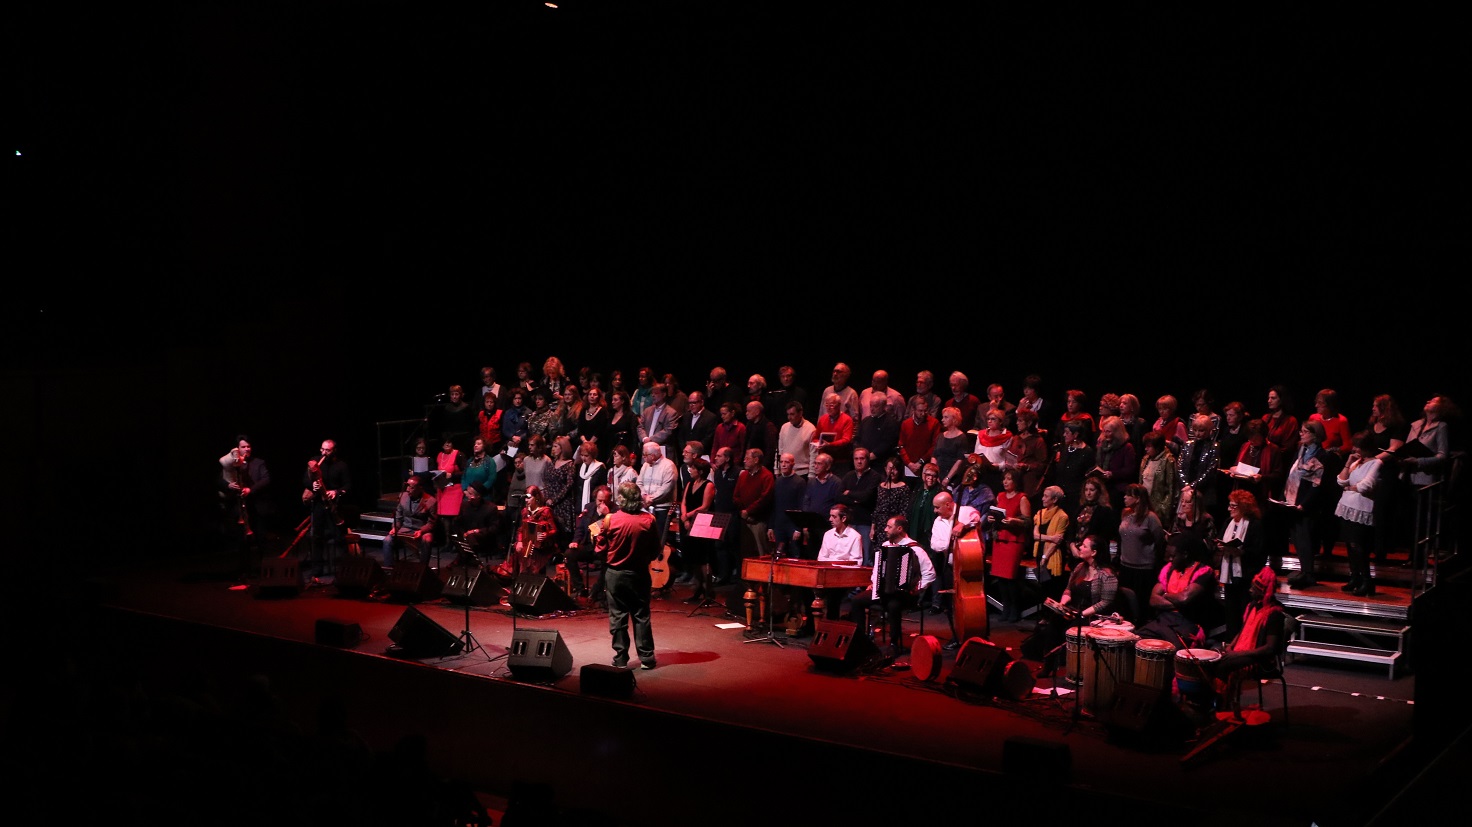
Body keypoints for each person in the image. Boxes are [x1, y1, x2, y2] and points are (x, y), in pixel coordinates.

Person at [595, 482, 661, 670]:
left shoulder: (610, 520)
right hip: (639, 573)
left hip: (615, 575)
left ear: (621, 499)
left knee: (618, 616)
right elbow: (656, 549)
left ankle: (621, 657)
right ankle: (647, 658)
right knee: (641, 615)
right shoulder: (649, 520)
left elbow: (599, 548)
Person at [849, 515, 936, 657]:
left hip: (905, 594)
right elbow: (877, 569)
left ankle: (894, 644)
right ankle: (861, 640)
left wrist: (917, 588)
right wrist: (874, 583)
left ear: (899, 529)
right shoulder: (885, 546)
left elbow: (930, 573)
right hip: (882, 591)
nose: (885, 529)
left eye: (889, 527)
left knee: (893, 605)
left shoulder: (915, 549)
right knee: (857, 600)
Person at [1206, 566, 1286, 714]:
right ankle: (1216, 704)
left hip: (1260, 661)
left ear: (1262, 591)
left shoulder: (1274, 614)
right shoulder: (1252, 606)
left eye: (1253, 588)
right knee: (1211, 657)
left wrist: (1237, 654)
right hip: (1243, 653)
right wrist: (1231, 647)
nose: (1250, 590)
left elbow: (1270, 649)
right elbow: (1242, 631)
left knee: (1223, 666)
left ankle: (1220, 707)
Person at [1036, 534, 1119, 676]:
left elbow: (1106, 602)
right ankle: (1049, 664)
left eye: (1084, 546)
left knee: (1071, 628)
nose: (1080, 547)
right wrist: (1062, 604)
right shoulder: (1080, 567)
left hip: (1091, 615)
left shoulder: (1107, 574)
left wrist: (1082, 613)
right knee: (1051, 626)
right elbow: (1069, 588)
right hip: (1073, 610)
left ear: (1094, 552)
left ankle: (1072, 668)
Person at [1137, 533, 1219, 650]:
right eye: (1168, 555)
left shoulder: (1203, 571)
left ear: (1185, 555)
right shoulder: (1168, 569)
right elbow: (1153, 600)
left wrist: (1165, 595)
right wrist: (1177, 603)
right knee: (1136, 639)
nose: (1170, 559)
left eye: (1173, 556)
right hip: (1164, 619)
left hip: (1188, 623)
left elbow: (1184, 598)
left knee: (1174, 649)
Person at [1283, 420, 1337, 589]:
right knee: (1297, 538)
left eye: (1305, 431)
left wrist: (1305, 504)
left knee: (1306, 538)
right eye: (1301, 431)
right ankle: (1303, 570)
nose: (1301, 434)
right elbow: (1291, 474)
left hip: (1308, 505)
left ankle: (1309, 573)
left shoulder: (1322, 455)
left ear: (1315, 435)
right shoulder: (1301, 450)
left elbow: (1317, 484)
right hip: (1293, 501)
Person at [1335, 432, 1384, 596]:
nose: (1354, 449)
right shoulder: (1356, 462)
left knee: (1359, 547)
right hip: (1347, 507)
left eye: (1358, 446)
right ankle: (1354, 577)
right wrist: (1348, 464)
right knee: (1349, 545)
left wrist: (1350, 488)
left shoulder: (1376, 463)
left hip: (1361, 509)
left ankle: (1367, 581)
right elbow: (1341, 481)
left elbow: (1366, 486)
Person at [1215, 490, 1267, 639]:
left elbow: (1259, 550)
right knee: (1230, 611)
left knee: (1244, 610)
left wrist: (1242, 552)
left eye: (1233, 506)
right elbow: (1221, 538)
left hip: (1246, 574)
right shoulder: (1228, 522)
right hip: (1229, 574)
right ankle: (1231, 641)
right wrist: (1220, 546)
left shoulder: (1255, 525)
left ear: (1243, 507)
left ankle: (1244, 641)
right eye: (1229, 505)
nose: (1229, 509)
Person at [928, 489, 982, 631]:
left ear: (948, 505)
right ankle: (956, 632)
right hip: (950, 567)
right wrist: (951, 542)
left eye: (937, 507)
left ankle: (974, 627)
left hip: (969, 564)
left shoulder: (965, 511)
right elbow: (934, 544)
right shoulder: (937, 522)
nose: (934, 511)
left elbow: (976, 518)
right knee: (951, 604)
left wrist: (963, 525)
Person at [219, 435, 272, 576]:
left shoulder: (259, 463)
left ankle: (265, 571)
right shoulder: (230, 464)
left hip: (257, 507)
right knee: (242, 542)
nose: (247, 449)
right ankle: (245, 572)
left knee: (261, 540)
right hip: (239, 509)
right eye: (243, 446)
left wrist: (250, 490)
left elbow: (266, 480)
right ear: (238, 448)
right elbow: (219, 480)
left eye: (248, 446)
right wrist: (229, 485)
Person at [300, 438, 351, 578]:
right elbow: (305, 480)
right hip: (318, 504)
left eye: (327, 450)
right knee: (316, 537)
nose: (323, 453)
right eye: (322, 449)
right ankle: (317, 569)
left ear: (334, 451)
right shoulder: (314, 463)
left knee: (339, 537)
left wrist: (336, 492)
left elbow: (347, 485)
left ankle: (345, 569)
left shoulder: (341, 465)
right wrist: (313, 486)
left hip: (334, 505)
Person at [1115, 482, 1165, 619]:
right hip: (1126, 567)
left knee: (1141, 606)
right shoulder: (1126, 515)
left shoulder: (1150, 518)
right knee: (1125, 604)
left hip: (1144, 570)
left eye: (1128, 495)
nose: (1124, 497)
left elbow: (1160, 542)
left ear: (1137, 498)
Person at [989, 467, 1033, 622]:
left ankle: (1015, 609)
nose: (1005, 482)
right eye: (1004, 479)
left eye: (1009, 479)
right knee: (1000, 577)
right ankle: (1005, 608)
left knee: (1011, 577)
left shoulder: (1022, 498)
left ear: (1016, 481)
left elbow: (1028, 522)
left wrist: (1014, 520)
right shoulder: (1000, 496)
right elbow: (995, 513)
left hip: (1013, 541)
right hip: (1000, 539)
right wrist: (991, 519)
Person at [806, 504, 864, 621]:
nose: (830, 519)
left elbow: (857, 562)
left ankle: (831, 625)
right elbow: (822, 557)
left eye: (834, 517)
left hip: (843, 577)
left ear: (843, 518)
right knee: (805, 588)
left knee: (834, 594)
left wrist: (837, 567)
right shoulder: (828, 534)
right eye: (830, 516)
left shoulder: (855, 537)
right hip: (827, 573)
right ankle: (811, 624)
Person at [678, 458, 718, 605]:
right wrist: (684, 518)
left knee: (704, 558)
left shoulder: (708, 485)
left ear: (700, 471)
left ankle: (708, 591)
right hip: (688, 523)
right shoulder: (689, 483)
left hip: (703, 523)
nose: (690, 470)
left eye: (693, 468)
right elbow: (684, 502)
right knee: (693, 558)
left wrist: (688, 515)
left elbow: (705, 506)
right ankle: (698, 589)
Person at [565, 483, 613, 601]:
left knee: (608, 562)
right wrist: (576, 541)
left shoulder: (614, 510)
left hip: (604, 548)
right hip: (589, 546)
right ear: (595, 498)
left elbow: (616, 528)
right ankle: (580, 589)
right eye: (599, 500)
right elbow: (580, 528)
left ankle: (596, 591)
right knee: (569, 554)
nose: (602, 504)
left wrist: (607, 514)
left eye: (604, 501)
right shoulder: (589, 507)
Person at [382, 472, 437, 569]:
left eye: (411, 487)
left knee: (427, 539)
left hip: (421, 529)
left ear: (420, 488)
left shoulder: (431, 501)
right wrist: (395, 527)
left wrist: (422, 530)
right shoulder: (403, 496)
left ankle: (422, 569)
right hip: (405, 527)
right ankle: (388, 568)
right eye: (407, 486)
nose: (408, 489)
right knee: (387, 540)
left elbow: (431, 522)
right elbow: (398, 517)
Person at [836, 446, 880, 565]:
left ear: (867, 460)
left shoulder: (874, 476)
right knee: (848, 554)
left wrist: (849, 493)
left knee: (865, 556)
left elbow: (867, 497)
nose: (859, 461)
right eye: (856, 459)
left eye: (862, 459)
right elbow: (839, 496)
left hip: (865, 522)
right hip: (849, 522)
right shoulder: (849, 475)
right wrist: (855, 499)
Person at [732, 447, 776, 568]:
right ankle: (747, 583)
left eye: (747, 458)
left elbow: (765, 498)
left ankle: (763, 580)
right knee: (745, 552)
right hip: (743, 520)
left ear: (756, 460)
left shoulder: (767, 476)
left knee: (761, 552)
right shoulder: (743, 475)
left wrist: (749, 511)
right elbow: (736, 496)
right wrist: (742, 511)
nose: (744, 461)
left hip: (758, 521)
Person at [505, 485, 558, 580]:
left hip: (542, 545)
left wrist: (546, 535)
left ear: (536, 497)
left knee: (533, 554)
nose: (526, 500)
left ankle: (535, 580)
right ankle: (521, 580)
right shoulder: (525, 512)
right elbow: (521, 529)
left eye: (529, 498)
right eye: (525, 498)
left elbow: (554, 529)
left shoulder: (545, 511)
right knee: (519, 550)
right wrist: (520, 541)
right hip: (527, 542)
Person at [1178, 414, 1222, 524]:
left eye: (1201, 431)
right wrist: (1186, 485)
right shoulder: (1188, 445)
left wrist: (1193, 486)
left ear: (1209, 431)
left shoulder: (1214, 446)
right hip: (1186, 490)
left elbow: (1211, 470)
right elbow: (1180, 466)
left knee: (1201, 521)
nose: (1197, 434)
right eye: (1195, 430)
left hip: (1204, 491)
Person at [1046, 421, 1094, 517]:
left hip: (1075, 496)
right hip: (1060, 494)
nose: (1064, 435)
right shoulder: (1064, 448)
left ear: (1075, 434)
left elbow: (1087, 475)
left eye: (1067, 432)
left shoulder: (1087, 452)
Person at [1031, 485, 1071, 601]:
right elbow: (1035, 535)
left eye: (1046, 496)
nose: (1042, 499)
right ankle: (1043, 615)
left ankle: (1051, 616)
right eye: (1043, 496)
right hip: (1039, 553)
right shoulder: (1039, 513)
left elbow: (1057, 541)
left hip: (1051, 556)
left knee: (1052, 588)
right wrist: (1051, 538)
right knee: (1043, 587)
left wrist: (1045, 557)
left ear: (1054, 500)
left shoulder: (1062, 516)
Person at [799, 452, 842, 558]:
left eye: (819, 464)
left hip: (826, 526)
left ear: (828, 466)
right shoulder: (812, 482)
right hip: (812, 525)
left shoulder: (836, 482)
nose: (816, 466)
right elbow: (806, 501)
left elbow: (837, 504)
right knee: (811, 554)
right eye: (815, 464)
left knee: (825, 554)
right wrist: (805, 523)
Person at [449, 481, 501, 567]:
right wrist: (463, 533)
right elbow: (459, 523)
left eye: (470, 493)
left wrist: (476, 531)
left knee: (471, 537)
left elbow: (494, 528)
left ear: (478, 496)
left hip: (484, 537)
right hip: (466, 536)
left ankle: (462, 560)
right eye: (467, 491)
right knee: (457, 536)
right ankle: (472, 562)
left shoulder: (490, 508)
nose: (466, 494)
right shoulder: (465, 505)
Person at [768, 452, 808, 558]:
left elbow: (802, 506)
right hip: (779, 525)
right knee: (779, 555)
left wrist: (798, 528)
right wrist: (771, 526)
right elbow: (774, 505)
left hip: (792, 526)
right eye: (781, 462)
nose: (783, 465)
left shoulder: (800, 482)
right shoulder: (778, 481)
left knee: (795, 555)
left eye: (787, 462)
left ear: (793, 464)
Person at [541, 436, 579, 547]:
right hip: (549, 502)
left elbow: (569, 485)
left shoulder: (570, 465)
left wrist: (555, 499)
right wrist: (547, 498)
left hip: (563, 502)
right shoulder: (552, 463)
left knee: (563, 530)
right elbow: (546, 481)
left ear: (562, 448)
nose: (553, 448)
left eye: (555, 446)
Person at [1095, 415, 1138, 506]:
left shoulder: (1127, 447)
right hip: (1102, 488)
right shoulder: (1102, 446)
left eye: (1108, 431)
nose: (1105, 434)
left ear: (1117, 432)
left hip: (1117, 490)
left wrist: (1112, 474)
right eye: (1104, 431)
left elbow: (1129, 470)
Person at [1139, 430, 1178, 525]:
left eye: (1149, 446)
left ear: (1157, 447)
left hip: (1159, 508)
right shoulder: (1145, 459)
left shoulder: (1168, 461)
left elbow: (1171, 488)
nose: (1146, 449)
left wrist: (1163, 509)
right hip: (1144, 504)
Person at [899, 396, 942, 480]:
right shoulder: (906, 424)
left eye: (925, 410)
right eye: (920, 411)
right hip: (908, 466)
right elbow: (901, 445)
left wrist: (921, 461)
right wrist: (909, 463)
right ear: (913, 410)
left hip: (924, 465)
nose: (923, 413)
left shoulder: (934, 423)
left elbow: (934, 446)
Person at [814, 392, 857, 476]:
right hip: (825, 460)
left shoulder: (847, 420)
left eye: (832, 405)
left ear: (839, 405)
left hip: (841, 461)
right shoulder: (823, 419)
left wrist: (830, 444)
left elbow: (846, 439)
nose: (829, 408)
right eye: (827, 405)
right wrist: (818, 443)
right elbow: (815, 437)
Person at [931, 406, 972, 491]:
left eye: (946, 417)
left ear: (954, 419)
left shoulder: (961, 437)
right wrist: (934, 474)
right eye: (943, 417)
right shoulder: (941, 436)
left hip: (952, 478)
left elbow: (960, 460)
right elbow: (934, 455)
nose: (942, 420)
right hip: (938, 475)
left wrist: (948, 478)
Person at [855, 395, 900, 468]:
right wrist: (859, 455)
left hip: (880, 463)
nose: (872, 409)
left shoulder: (891, 423)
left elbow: (887, 444)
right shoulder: (865, 421)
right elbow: (857, 439)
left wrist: (870, 456)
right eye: (871, 406)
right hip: (863, 462)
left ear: (884, 406)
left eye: (875, 406)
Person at [777, 400, 818, 477]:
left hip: (803, 473)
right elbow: (780, 450)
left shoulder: (810, 429)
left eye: (792, 414)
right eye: (788, 414)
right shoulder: (784, 427)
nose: (789, 417)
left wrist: (812, 473)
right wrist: (777, 469)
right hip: (786, 472)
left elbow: (813, 454)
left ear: (800, 413)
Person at [674, 390, 718, 458]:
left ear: (702, 402)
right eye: (689, 403)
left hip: (702, 454)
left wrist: (696, 449)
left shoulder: (711, 417)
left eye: (694, 403)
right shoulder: (686, 416)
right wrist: (685, 449)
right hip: (686, 455)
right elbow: (680, 435)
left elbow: (709, 437)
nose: (691, 405)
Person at [435, 385, 477, 456]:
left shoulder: (466, 408)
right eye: (452, 394)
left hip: (464, 441)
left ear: (460, 395)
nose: (454, 396)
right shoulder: (446, 409)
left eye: (456, 394)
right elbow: (443, 426)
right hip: (451, 441)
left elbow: (472, 426)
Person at [637, 382, 679, 450]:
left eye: (656, 393)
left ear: (664, 394)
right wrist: (644, 438)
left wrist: (650, 440)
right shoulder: (647, 411)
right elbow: (640, 427)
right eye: (652, 393)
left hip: (662, 449)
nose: (653, 395)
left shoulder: (671, 413)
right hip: (646, 449)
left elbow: (668, 431)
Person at [602, 389, 640, 463]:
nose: (612, 402)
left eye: (615, 400)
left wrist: (633, 454)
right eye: (612, 400)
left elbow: (635, 437)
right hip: (611, 450)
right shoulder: (610, 415)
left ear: (622, 401)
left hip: (624, 452)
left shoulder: (630, 416)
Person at [577, 386, 611, 461]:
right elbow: (580, 428)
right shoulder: (583, 410)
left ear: (599, 397)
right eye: (590, 394)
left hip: (597, 445)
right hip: (584, 444)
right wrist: (584, 442)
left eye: (594, 394)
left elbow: (600, 430)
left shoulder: (603, 412)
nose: (592, 396)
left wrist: (590, 444)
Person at [743, 401, 779, 470]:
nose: (746, 413)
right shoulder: (749, 425)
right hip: (751, 464)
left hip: (762, 466)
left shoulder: (768, 426)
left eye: (749, 411)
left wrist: (764, 465)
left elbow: (770, 449)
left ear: (757, 412)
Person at [461, 437, 498, 503]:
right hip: (468, 498)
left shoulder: (489, 461)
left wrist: (477, 492)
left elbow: (492, 479)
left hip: (483, 498)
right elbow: (463, 477)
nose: (475, 445)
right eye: (475, 444)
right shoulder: (469, 461)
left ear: (484, 446)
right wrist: (466, 490)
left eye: (479, 444)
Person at [476, 390, 504, 457]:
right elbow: (477, 430)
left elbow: (502, 430)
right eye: (487, 402)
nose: (489, 404)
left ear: (494, 403)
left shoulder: (500, 413)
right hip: (484, 445)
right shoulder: (481, 414)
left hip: (496, 444)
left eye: (491, 402)